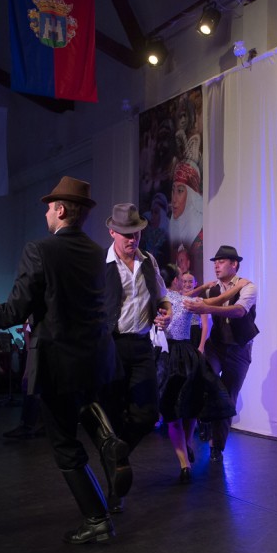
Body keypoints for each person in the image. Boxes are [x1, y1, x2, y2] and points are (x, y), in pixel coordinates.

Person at [0, 177, 128, 544]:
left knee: (63, 443)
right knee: (85, 405)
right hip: (96, 356)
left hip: (58, 358)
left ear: (61, 210)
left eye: (49, 208)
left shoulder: (40, 249)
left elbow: (16, 309)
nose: (46, 213)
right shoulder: (97, 252)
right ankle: (109, 441)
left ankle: (96, 519)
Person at [103, 203, 173, 509]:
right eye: (127, 234)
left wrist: (167, 313)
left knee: (147, 414)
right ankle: (114, 490)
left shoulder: (149, 261)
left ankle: (118, 455)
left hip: (143, 345)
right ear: (112, 232)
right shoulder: (101, 265)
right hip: (112, 346)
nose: (133, 239)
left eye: (137, 234)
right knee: (113, 415)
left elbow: (163, 297)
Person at [158, 264, 237, 482]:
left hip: (164, 355)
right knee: (191, 403)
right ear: (176, 280)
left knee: (171, 410)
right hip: (185, 354)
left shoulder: (156, 301)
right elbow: (217, 301)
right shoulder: (187, 301)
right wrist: (238, 287)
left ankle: (184, 463)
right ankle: (188, 443)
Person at [186, 245, 259, 462]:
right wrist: (202, 289)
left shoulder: (248, 286)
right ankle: (204, 421)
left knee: (228, 399)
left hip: (239, 349)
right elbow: (185, 299)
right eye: (215, 262)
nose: (216, 266)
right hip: (216, 347)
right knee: (202, 381)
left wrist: (207, 308)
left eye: (221, 262)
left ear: (234, 264)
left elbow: (239, 311)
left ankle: (217, 447)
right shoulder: (211, 289)